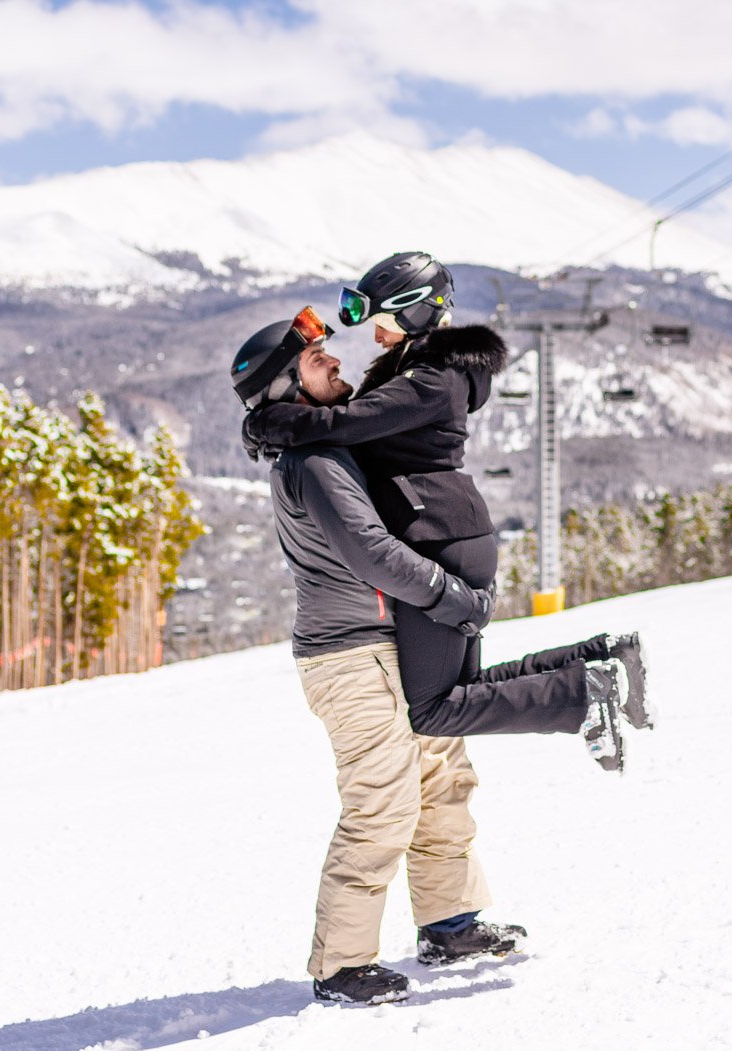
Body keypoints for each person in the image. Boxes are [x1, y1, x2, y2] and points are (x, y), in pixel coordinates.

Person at [231, 307, 639, 1006]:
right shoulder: (315, 460)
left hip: (387, 645)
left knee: (444, 781)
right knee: (382, 804)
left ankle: (451, 925)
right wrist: (453, 597)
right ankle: (341, 966)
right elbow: (372, 552)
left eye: (331, 352)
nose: (336, 363)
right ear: (284, 390)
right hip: (349, 659)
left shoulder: (331, 444)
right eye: (316, 360)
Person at [243, 252, 652, 751]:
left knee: (435, 710)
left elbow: (344, 423)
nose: (375, 336)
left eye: (384, 322)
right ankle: (602, 659)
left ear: (414, 308)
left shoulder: (432, 379)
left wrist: (269, 422)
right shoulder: (419, 369)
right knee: (464, 691)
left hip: (438, 534)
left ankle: (587, 693)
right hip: (449, 530)